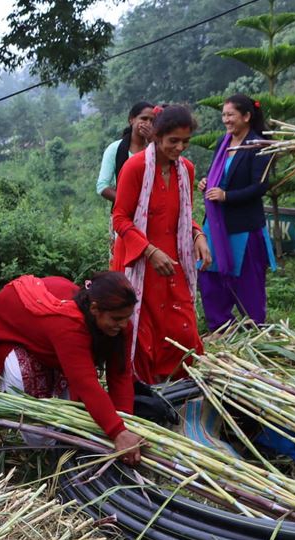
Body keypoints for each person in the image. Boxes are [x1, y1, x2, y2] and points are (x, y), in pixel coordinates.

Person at [0, 272, 143, 465]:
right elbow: (85, 383)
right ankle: (44, 450)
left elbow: (120, 374)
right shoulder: (69, 325)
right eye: (117, 319)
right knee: (26, 379)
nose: (124, 324)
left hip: (48, 329)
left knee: (70, 388)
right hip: (12, 324)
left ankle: (57, 439)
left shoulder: (120, 321)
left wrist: (125, 425)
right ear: (94, 309)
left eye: (127, 317)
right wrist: (117, 432)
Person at [111, 105, 211, 383]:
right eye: (173, 141)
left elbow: (185, 216)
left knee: (183, 328)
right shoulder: (136, 167)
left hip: (174, 260)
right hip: (139, 260)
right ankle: (145, 388)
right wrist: (149, 251)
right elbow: (119, 218)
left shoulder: (186, 170)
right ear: (157, 136)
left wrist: (198, 236)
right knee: (143, 329)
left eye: (185, 142)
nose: (179, 148)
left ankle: (181, 384)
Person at [197, 94, 277, 330]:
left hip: (243, 225)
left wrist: (227, 196)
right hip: (216, 222)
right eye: (223, 115)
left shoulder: (259, 145)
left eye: (230, 114)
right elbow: (217, 176)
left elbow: (260, 186)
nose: (226, 120)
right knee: (209, 276)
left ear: (247, 116)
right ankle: (221, 327)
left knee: (247, 280)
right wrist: (206, 183)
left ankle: (255, 330)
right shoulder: (224, 142)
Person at [95, 102, 155, 204]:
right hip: (124, 214)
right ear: (131, 120)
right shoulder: (115, 149)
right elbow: (102, 186)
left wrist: (153, 142)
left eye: (152, 121)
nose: (148, 124)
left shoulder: (157, 150)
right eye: (144, 119)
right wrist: (130, 202)